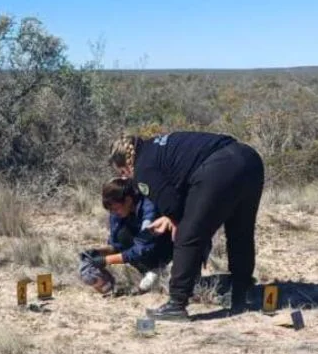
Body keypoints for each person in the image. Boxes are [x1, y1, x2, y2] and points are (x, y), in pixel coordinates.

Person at [108, 131, 264, 321]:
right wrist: (170, 216)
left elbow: (172, 206)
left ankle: (177, 304)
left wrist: (174, 219)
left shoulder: (142, 168)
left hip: (219, 168)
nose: (126, 179)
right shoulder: (157, 149)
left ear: (126, 166)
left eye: (123, 173)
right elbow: (182, 184)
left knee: (187, 235)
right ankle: (241, 295)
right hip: (249, 159)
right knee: (241, 232)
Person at [78, 177, 173, 295]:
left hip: (166, 251)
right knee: (122, 234)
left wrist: (106, 260)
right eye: (110, 210)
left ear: (128, 200)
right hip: (145, 255)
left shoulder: (149, 209)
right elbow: (115, 246)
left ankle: (164, 270)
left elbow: (143, 247)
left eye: (115, 209)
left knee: (176, 287)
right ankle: (149, 272)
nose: (113, 213)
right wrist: (95, 253)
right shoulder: (117, 214)